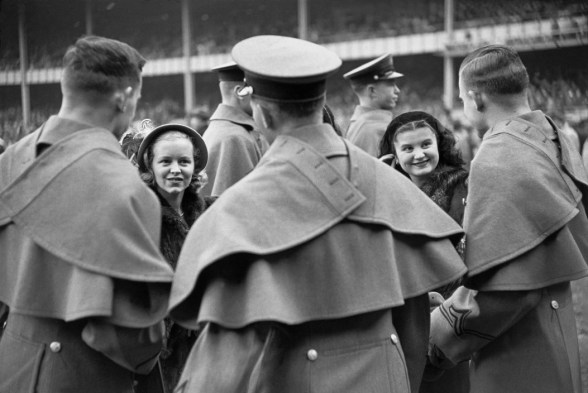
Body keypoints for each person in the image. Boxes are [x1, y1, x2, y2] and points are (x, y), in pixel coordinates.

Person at [168, 35, 467, 393]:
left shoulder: (241, 207)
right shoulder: (391, 183)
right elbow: (414, 327)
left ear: (260, 111)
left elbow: (223, 363)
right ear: (321, 101)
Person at [0, 36, 173, 393]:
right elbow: (128, 332)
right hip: (83, 375)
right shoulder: (125, 187)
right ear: (124, 97)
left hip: (11, 362)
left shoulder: (8, 160)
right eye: (136, 99)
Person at [428, 44, 588, 393]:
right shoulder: (550, 131)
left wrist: (436, 338)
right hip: (554, 321)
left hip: (518, 348)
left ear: (476, 98)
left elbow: (504, 291)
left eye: (461, 98)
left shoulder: (497, 152)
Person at [379, 111, 469, 393]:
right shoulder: (386, 187)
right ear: (393, 153)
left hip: (448, 311)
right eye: (407, 148)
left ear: (439, 145)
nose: (419, 154)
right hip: (401, 311)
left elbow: (464, 250)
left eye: (425, 145)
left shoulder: (461, 185)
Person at [134, 121, 214, 392]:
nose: (176, 170)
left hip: (205, 346)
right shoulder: (141, 216)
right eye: (166, 161)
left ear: (196, 166)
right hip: (159, 355)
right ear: (150, 166)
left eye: (184, 161)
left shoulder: (206, 212)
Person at [201, 61, 268, 197]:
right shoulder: (234, 138)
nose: (265, 98)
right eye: (261, 91)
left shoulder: (228, 129)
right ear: (240, 92)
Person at [344, 53, 403, 157]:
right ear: (372, 91)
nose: (397, 90)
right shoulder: (370, 130)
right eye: (391, 84)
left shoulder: (365, 123)